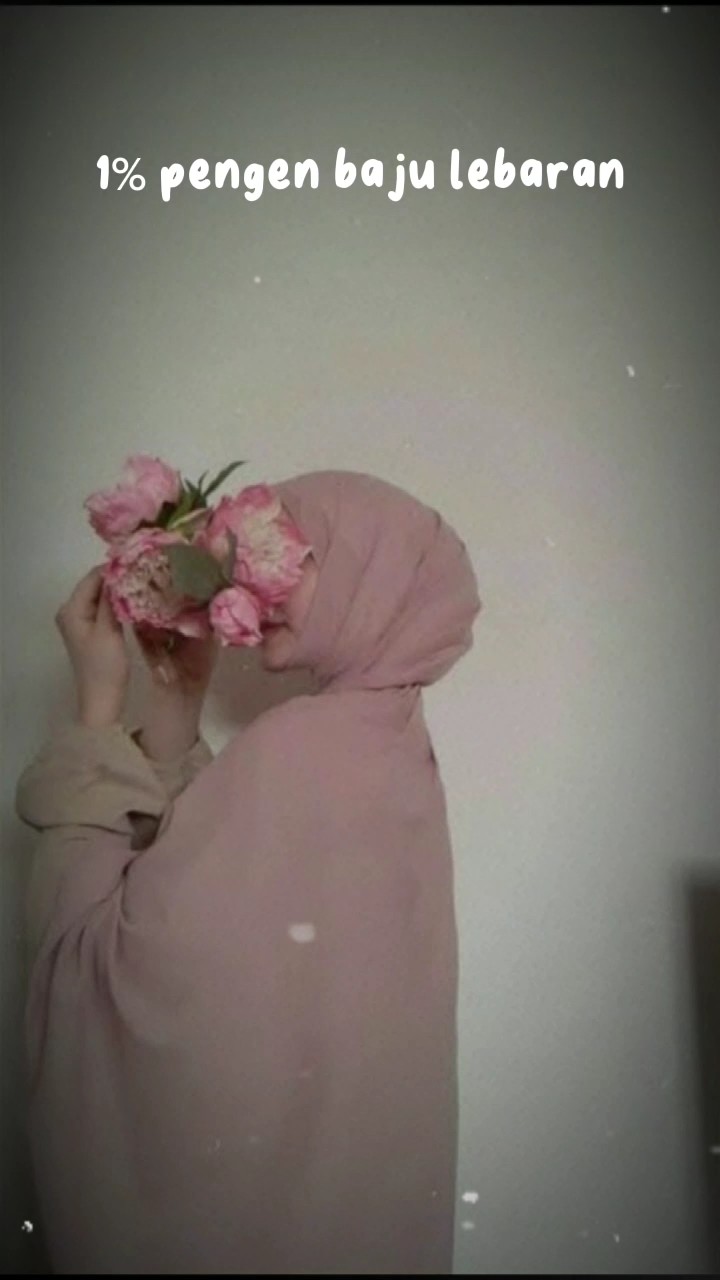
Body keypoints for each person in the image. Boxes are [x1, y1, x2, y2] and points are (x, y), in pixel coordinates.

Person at [14, 468, 482, 1275]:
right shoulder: (392, 752)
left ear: (370, 586)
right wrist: (176, 703)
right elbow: (198, 932)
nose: (261, 580)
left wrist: (96, 709)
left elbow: (98, 965)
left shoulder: (303, 751)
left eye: (295, 551)